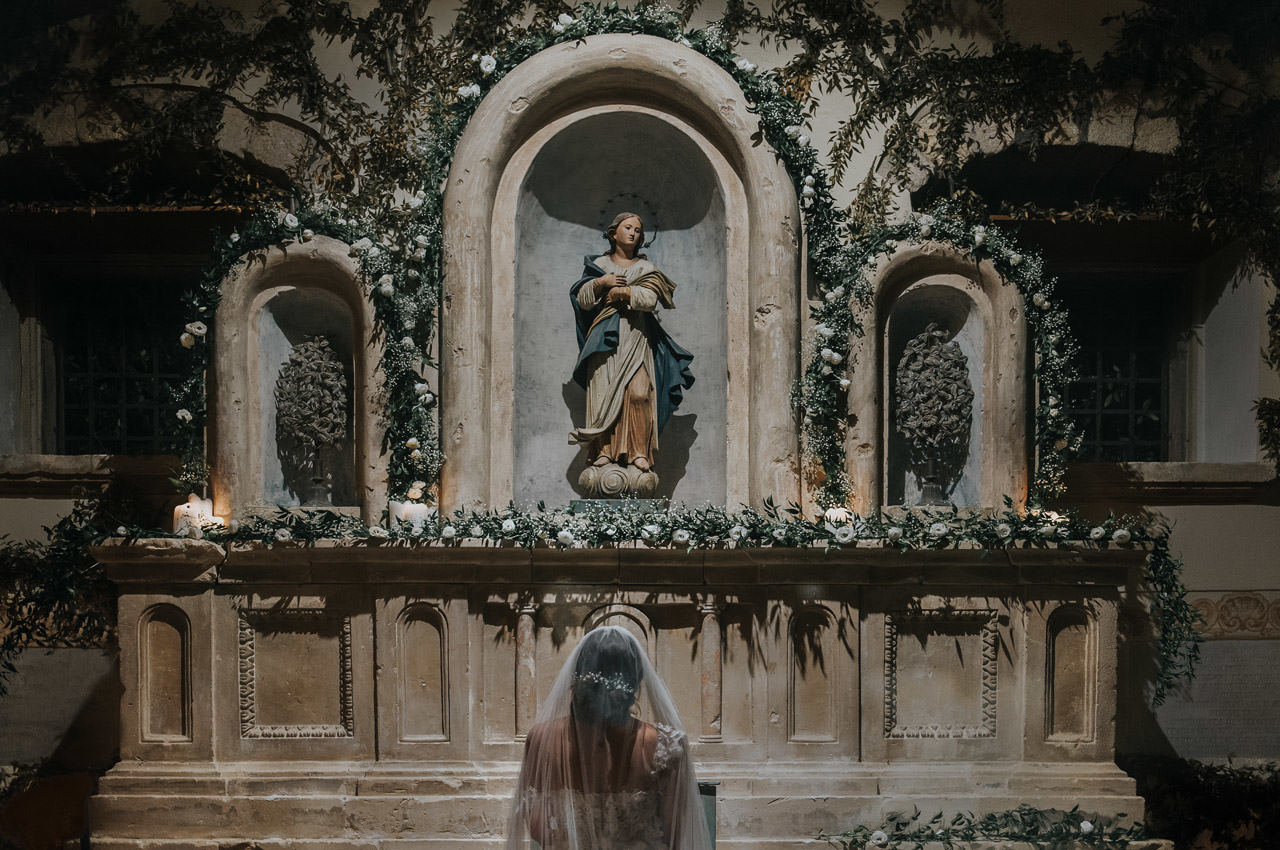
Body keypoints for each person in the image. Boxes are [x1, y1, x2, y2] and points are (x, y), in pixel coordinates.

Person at [505, 626, 713, 850]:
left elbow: (534, 821)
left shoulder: (541, 738)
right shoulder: (666, 744)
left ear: (577, 673)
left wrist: (570, 840)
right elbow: (676, 830)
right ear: (635, 680)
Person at [568, 213, 694, 473]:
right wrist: (601, 283)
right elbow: (582, 300)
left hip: (636, 338)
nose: (633, 233)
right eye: (627, 228)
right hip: (604, 340)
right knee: (602, 395)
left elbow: (650, 299)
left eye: (638, 230)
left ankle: (639, 451)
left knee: (639, 394)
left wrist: (624, 291)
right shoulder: (598, 265)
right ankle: (603, 451)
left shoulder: (646, 269)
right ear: (613, 233)